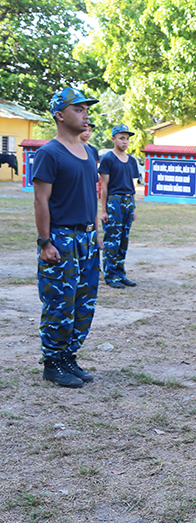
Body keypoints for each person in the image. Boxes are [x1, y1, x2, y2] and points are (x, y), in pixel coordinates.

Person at [32, 87, 101, 388]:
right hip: (61, 238)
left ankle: (68, 356)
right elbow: (40, 201)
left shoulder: (91, 152)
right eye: (78, 108)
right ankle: (53, 362)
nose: (85, 113)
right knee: (60, 302)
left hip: (86, 238)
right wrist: (45, 241)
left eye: (87, 109)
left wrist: (96, 232)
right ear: (59, 115)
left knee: (84, 302)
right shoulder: (49, 153)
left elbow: (91, 195)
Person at [99, 124, 138, 288]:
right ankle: (110, 275)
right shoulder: (108, 158)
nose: (125, 141)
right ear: (113, 138)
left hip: (128, 202)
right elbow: (104, 186)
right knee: (112, 240)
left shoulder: (132, 161)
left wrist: (133, 207)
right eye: (121, 138)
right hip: (114, 201)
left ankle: (120, 273)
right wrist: (103, 210)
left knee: (123, 240)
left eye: (127, 138)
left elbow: (133, 185)